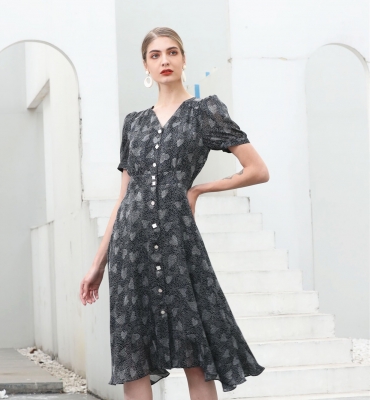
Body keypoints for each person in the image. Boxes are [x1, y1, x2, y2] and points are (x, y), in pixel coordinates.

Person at [79, 27, 269, 400]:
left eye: (172, 52)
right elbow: (123, 198)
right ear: (146, 66)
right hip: (130, 247)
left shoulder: (205, 112)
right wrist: (98, 265)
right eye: (155, 55)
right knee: (135, 355)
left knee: (195, 354)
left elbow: (257, 170)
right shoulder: (134, 123)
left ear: (183, 59)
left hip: (178, 244)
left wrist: (198, 189)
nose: (164, 60)